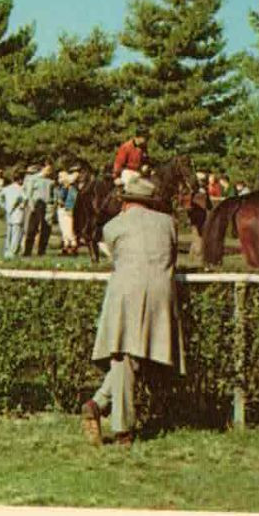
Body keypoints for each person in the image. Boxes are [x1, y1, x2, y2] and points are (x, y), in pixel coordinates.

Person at [82, 175, 184, 446]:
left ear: (126, 203)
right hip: (161, 295)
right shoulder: (169, 224)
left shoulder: (113, 226)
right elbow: (173, 258)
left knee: (124, 357)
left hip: (125, 294)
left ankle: (119, 426)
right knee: (133, 357)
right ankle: (98, 405)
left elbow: (116, 256)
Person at [22, 161, 55, 257]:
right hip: (36, 204)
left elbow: (53, 195)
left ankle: (42, 250)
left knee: (46, 228)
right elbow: (28, 193)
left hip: (47, 205)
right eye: (47, 169)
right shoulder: (33, 179)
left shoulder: (50, 181)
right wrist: (31, 205)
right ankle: (27, 251)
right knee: (32, 228)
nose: (49, 171)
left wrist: (52, 206)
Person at [0, 169, 26, 260]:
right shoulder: (21, 189)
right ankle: (12, 252)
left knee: (9, 234)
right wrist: (21, 206)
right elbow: (26, 199)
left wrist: (4, 206)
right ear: (20, 180)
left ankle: (7, 251)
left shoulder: (7, 188)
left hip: (9, 214)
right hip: (18, 214)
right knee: (16, 234)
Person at [55, 168, 81, 256]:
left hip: (66, 210)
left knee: (68, 229)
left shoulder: (69, 188)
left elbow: (63, 199)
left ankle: (72, 246)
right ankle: (67, 247)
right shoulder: (68, 188)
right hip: (64, 209)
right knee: (65, 230)